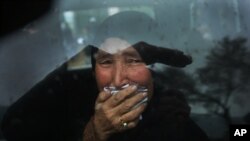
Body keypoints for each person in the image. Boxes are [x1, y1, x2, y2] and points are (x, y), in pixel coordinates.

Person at [1, 11, 209, 141]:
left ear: (153, 72)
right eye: (106, 62)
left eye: (134, 61)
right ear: (91, 69)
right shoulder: (72, 99)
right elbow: (14, 127)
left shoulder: (164, 106)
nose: (118, 80)